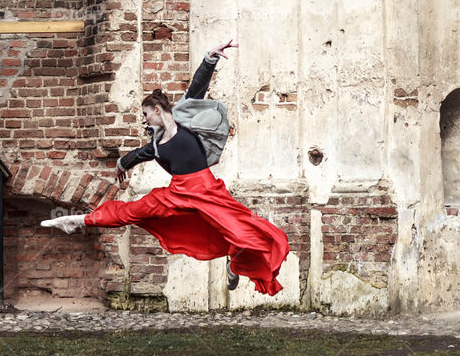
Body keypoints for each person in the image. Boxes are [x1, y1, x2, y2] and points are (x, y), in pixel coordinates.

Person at [42, 40, 290, 296]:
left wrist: (209, 59)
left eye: (146, 115)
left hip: (206, 190)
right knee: (132, 211)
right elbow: (140, 154)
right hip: (177, 193)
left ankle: (235, 264)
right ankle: (77, 220)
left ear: (158, 110)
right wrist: (121, 163)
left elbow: (197, 88)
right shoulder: (157, 144)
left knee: (246, 232)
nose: (144, 120)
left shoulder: (184, 116)